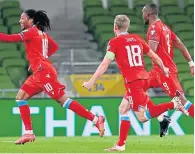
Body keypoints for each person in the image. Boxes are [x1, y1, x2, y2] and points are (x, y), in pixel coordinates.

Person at [82, 15, 187, 152]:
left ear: (115, 27)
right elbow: (154, 56)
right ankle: (120, 144)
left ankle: (174, 103)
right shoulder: (137, 38)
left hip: (133, 82)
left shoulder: (114, 42)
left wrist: (91, 81)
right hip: (145, 78)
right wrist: (164, 68)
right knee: (123, 108)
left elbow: (105, 64)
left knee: (142, 117)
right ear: (128, 27)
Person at [0, 9, 105, 144]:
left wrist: (39, 61)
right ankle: (28, 133)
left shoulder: (30, 32)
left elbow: (9, 39)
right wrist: (39, 59)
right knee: (20, 97)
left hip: (44, 73)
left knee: (63, 100)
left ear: (30, 20)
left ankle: (96, 119)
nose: (20, 20)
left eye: (22, 18)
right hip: (40, 71)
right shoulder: (41, 33)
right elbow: (54, 47)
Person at [142, 3, 194, 136]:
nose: (142, 15)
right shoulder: (165, 28)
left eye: (143, 13)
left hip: (165, 71)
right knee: (136, 88)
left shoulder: (154, 28)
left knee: (182, 100)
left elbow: (151, 51)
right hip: (156, 71)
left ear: (148, 14)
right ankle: (161, 117)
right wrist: (191, 64)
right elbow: (180, 44)